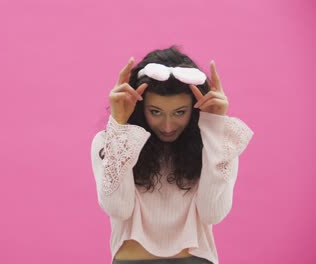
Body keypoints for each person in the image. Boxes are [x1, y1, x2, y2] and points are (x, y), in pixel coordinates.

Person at [90, 46, 254, 264]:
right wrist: (119, 127)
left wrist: (215, 128)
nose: (167, 125)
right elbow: (118, 208)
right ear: (140, 107)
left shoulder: (217, 145)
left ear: (194, 109)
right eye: (155, 112)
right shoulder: (109, 142)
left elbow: (212, 213)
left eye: (180, 112)